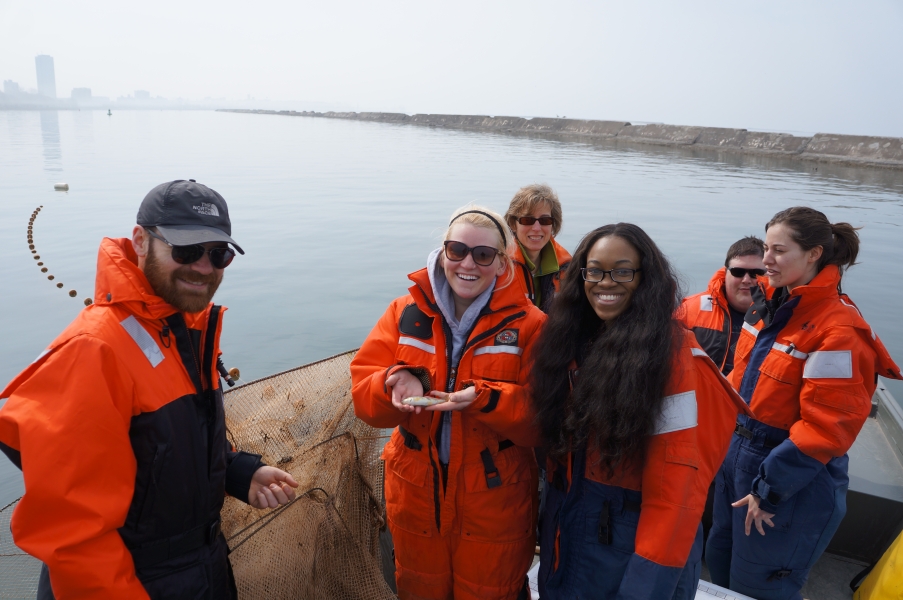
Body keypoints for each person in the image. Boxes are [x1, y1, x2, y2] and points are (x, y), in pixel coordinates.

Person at [0, 180, 299, 599]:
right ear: (140, 241)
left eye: (218, 254)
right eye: (185, 250)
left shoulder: (185, 329)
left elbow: (158, 448)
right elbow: (73, 537)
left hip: (202, 571)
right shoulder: (93, 351)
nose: (203, 267)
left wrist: (234, 473)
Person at [530, 223, 751, 599]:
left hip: (625, 547)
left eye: (622, 271)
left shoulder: (675, 362)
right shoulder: (570, 344)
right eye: (595, 270)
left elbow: (676, 496)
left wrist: (644, 588)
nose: (606, 282)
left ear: (646, 277)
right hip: (569, 532)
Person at [706, 207, 902, 600]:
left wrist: (768, 489)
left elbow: (827, 428)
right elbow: (738, 381)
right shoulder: (768, 308)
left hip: (787, 481)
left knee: (759, 585)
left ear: (813, 254)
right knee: (719, 565)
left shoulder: (839, 331)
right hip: (737, 460)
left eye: (779, 250)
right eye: (766, 248)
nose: (765, 261)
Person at [350, 205, 545, 600]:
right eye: (456, 250)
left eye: (483, 255)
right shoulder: (403, 313)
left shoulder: (531, 325)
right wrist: (392, 381)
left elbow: (544, 420)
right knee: (419, 587)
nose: (467, 263)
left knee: (491, 590)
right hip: (414, 493)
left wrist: (486, 400)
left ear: (503, 261)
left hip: (495, 496)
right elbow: (363, 402)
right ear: (443, 252)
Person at [678, 236, 765, 374]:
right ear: (725, 273)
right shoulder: (688, 311)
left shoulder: (783, 316)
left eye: (756, 273)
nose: (746, 280)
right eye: (738, 272)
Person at [504, 184, 571, 312]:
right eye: (527, 220)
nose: (536, 228)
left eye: (545, 221)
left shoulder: (568, 268)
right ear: (513, 224)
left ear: (553, 224)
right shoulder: (498, 265)